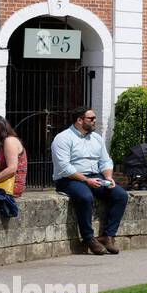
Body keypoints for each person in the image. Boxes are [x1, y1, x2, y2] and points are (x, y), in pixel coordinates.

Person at [51, 107, 129, 255]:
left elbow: (105, 161)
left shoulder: (96, 138)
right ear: (79, 120)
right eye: (91, 119)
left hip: (95, 176)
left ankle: (108, 236)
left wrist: (108, 177)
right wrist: (87, 180)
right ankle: (88, 238)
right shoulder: (63, 138)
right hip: (69, 179)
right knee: (85, 197)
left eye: (95, 118)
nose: (95, 121)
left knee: (120, 195)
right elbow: (65, 168)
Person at [0, 115, 27, 218]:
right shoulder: (0, 142)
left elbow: (12, 168)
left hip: (11, 186)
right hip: (1, 184)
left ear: (0, 125)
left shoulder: (9, 141)